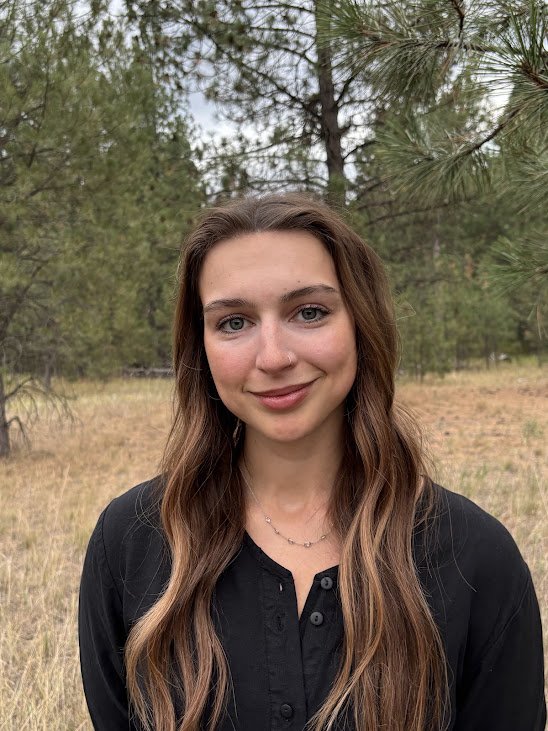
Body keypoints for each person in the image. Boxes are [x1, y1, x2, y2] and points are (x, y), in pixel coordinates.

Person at [79, 193, 545, 731]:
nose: (274, 356)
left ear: (360, 323)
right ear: (200, 347)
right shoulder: (130, 543)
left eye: (310, 312)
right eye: (234, 322)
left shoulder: (476, 559)